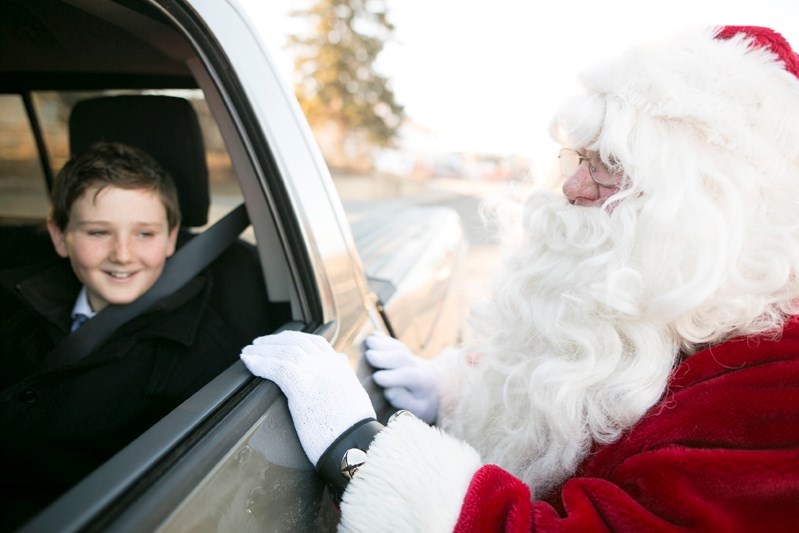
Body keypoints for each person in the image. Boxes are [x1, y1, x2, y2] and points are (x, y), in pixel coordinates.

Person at [240, 25, 799, 531]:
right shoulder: (672, 290)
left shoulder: (779, 382)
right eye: (577, 158)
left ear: (707, 202)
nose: (573, 187)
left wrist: (360, 451)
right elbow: (576, 385)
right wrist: (458, 397)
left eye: (608, 165)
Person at [0, 142, 242, 529]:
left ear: (170, 238)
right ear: (60, 237)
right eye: (99, 232)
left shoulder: (200, 358)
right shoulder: (15, 300)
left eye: (144, 234)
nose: (123, 254)